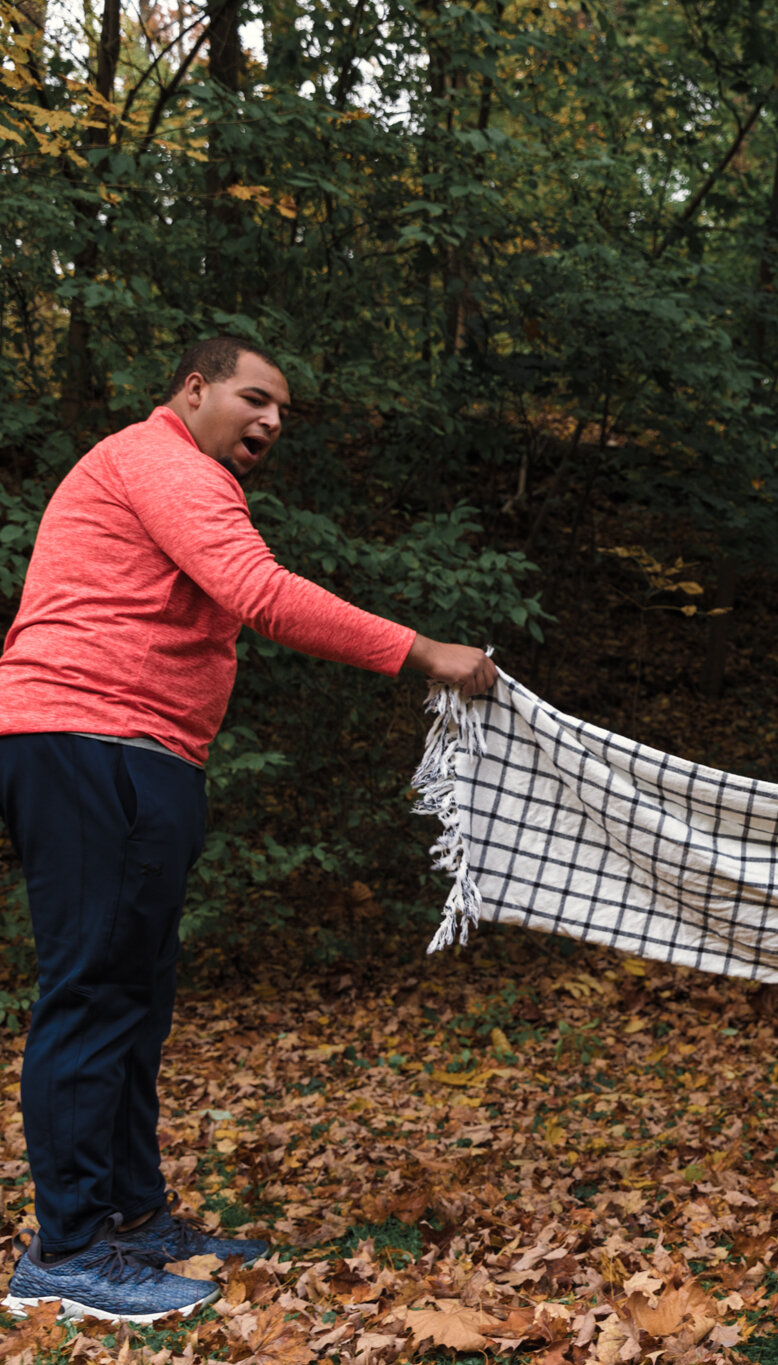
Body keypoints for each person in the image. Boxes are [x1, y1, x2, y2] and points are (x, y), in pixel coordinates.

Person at [0, 337, 498, 1322]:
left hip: (142, 751)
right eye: (255, 398)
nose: (271, 422)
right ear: (194, 389)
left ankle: (132, 1222)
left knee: (135, 998)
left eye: (283, 413)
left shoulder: (180, 474)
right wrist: (423, 651)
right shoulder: (160, 460)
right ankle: (62, 1254)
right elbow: (260, 594)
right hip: (90, 735)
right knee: (94, 990)